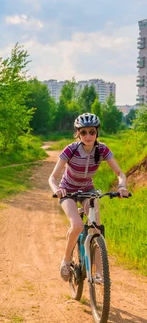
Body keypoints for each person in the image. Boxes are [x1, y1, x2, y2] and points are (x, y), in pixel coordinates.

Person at [48, 113, 128, 281]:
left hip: (88, 190)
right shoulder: (70, 150)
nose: (88, 136)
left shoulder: (103, 149)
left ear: (97, 132)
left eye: (92, 132)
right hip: (68, 190)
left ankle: (99, 273)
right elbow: (52, 177)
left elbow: (120, 172)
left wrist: (122, 186)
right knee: (77, 225)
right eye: (83, 132)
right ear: (78, 134)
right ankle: (66, 260)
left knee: (96, 228)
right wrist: (57, 190)